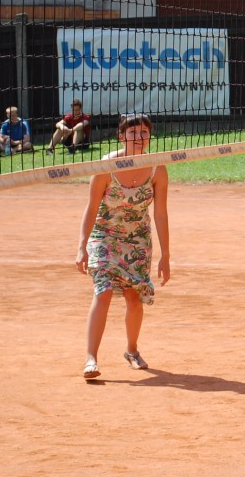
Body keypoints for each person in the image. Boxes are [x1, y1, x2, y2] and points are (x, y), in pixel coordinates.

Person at [75, 113, 170, 380]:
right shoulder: (106, 166)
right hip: (105, 236)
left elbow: (160, 214)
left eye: (144, 132)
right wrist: (82, 246)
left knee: (133, 296)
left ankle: (132, 350)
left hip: (137, 239)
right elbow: (91, 207)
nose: (139, 137)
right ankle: (91, 358)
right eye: (132, 132)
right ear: (121, 136)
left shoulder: (157, 168)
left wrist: (166, 255)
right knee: (103, 291)